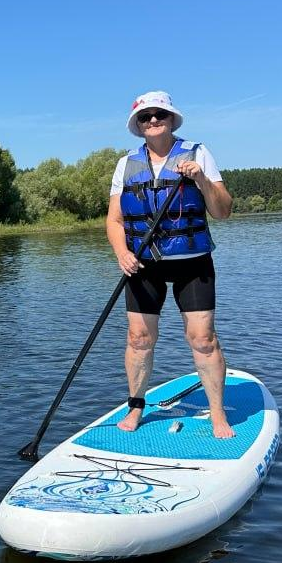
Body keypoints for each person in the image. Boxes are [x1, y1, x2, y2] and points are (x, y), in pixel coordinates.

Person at [105, 91, 235, 438]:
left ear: (171, 118)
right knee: (138, 339)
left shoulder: (198, 153)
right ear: (138, 124)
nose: (152, 121)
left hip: (192, 262)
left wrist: (201, 180)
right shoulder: (126, 164)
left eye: (158, 114)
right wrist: (122, 253)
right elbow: (115, 221)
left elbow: (223, 211)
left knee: (202, 339)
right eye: (145, 117)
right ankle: (136, 408)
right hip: (143, 265)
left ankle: (218, 415)